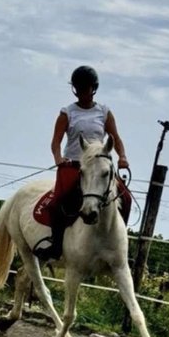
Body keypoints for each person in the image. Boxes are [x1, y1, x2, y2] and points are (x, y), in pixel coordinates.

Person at [38, 64, 131, 258]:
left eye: (85, 88)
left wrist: (122, 157)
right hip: (73, 165)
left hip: (99, 166)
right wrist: (58, 159)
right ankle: (56, 245)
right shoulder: (67, 113)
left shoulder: (104, 112)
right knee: (57, 203)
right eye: (78, 88)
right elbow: (56, 142)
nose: (82, 92)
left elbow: (116, 138)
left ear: (93, 88)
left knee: (126, 198)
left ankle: (120, 241)